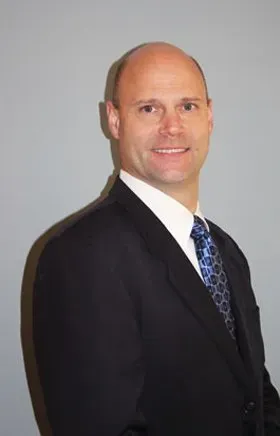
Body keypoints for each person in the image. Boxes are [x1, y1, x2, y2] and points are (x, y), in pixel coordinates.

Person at [33, 42, 280, 436]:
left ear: (210, 116)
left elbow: (256, 394)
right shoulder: (80, 256)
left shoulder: (225, 251)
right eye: (149, 108)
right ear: (114, 120)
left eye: (188, 106)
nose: (173, 126)